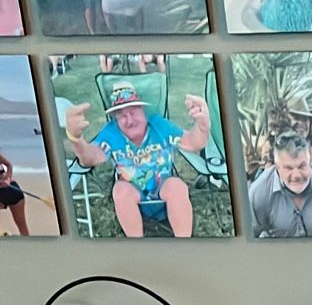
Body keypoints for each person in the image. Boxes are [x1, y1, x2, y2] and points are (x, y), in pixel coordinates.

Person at [63, 81, 211, 238]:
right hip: (132, 194)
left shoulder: (159, 125)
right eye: (121, 115)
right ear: (115, 118)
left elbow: (193, 143)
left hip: (163, 188)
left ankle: (185, 245)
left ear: (143, 110)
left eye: (133, 111)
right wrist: (75, 139)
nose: (129, 120)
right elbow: (90, 158)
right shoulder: (112, 132)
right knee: (120, 190)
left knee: (177, 186)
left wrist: (203, 126)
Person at [0, 151, 29, 235]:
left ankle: (28, 246)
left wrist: (8, 179)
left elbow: (8, 165)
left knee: (22, 227)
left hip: (10, 191)